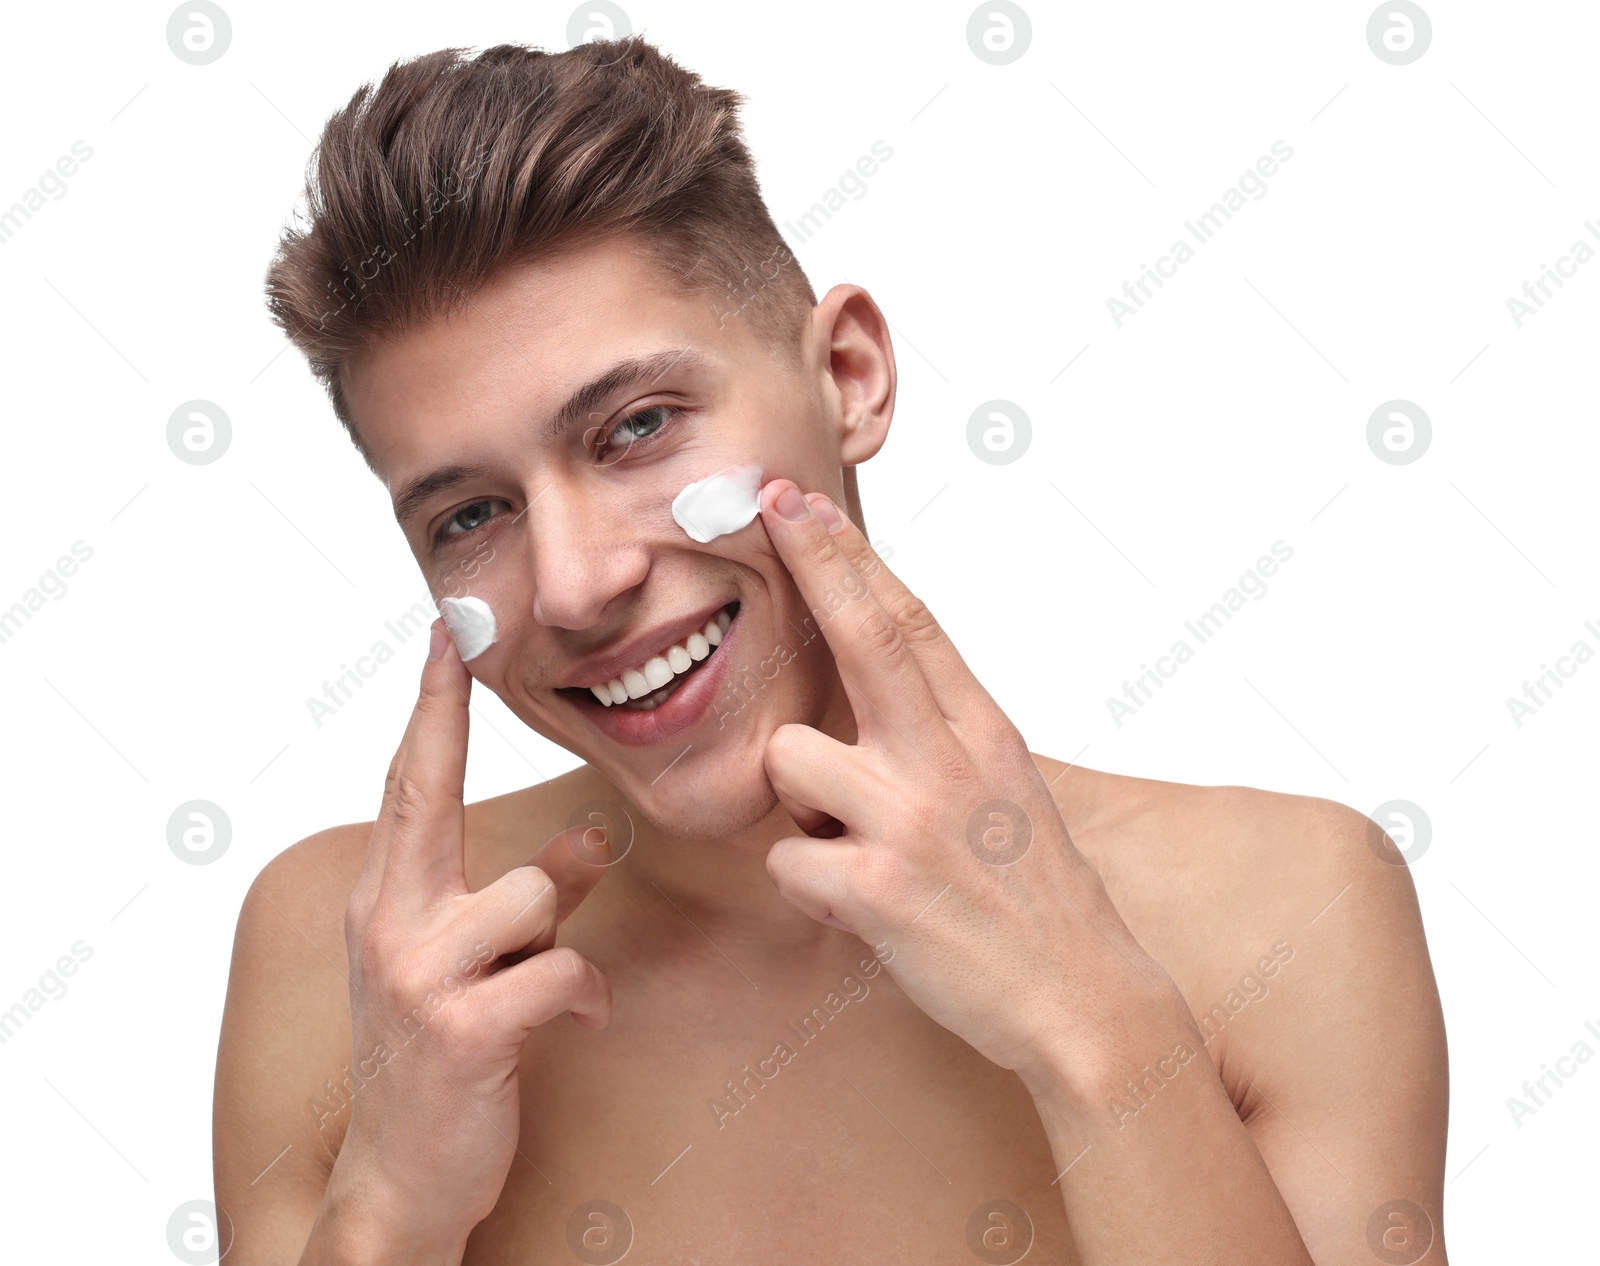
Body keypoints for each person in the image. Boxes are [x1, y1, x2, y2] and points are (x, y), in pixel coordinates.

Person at [214, 37, 1449, 1265]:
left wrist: (1095, 1025)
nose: (577, 585)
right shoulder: (357, 960)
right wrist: (388, 1203)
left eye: (637, 427)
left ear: (849, 378)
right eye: (470, 516)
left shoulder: (1285, 910)